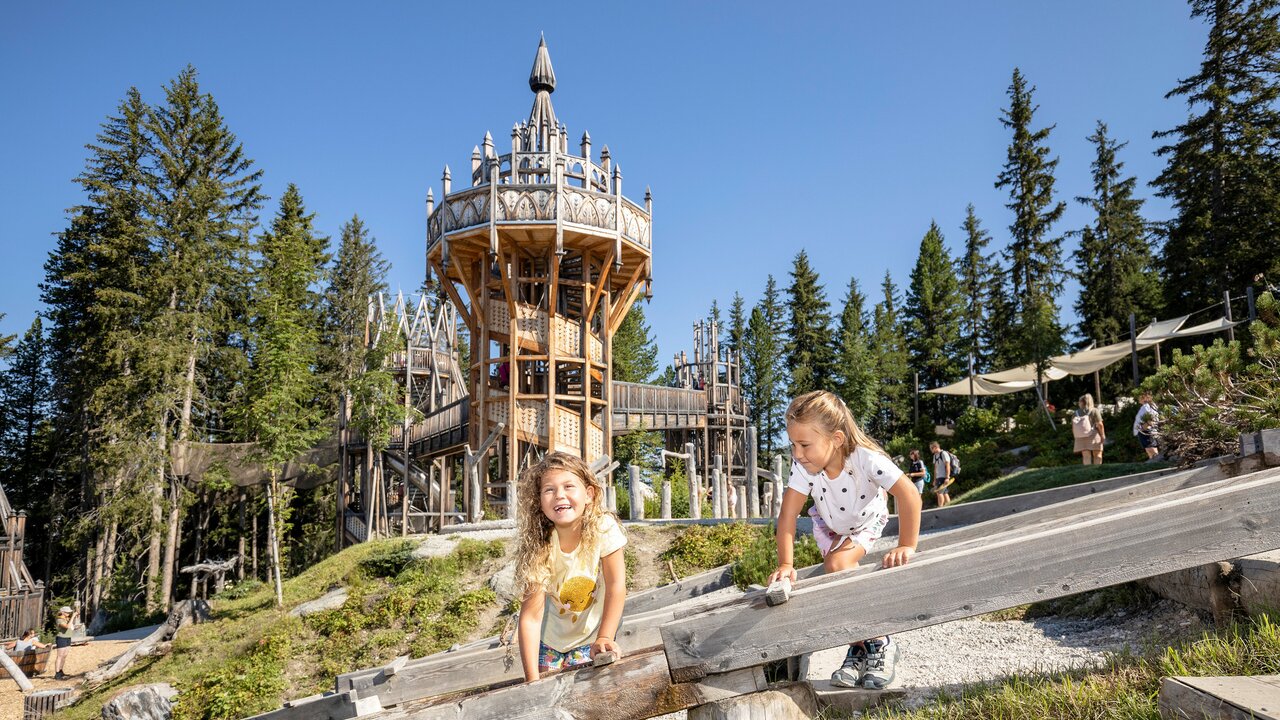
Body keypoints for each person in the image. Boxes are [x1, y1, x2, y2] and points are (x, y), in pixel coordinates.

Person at [769, 390, 921, 690]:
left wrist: (906, 544)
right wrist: (786, 563)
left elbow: (909, 495)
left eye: (804, 445)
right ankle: (858, 646)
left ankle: (880, 641)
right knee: (834, 567)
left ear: (836, 439)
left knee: (837, 563)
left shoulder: (865, 459)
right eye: (793, 445)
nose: (797, 454)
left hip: (867, 519)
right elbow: (787, 516)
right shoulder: (804, 468)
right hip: (831, 526)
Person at [515, 452, 627, 683]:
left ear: (588, 494)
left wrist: (605, 636)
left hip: (591, 638)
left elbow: (616, 586)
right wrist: (531, 681)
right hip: (550, 642)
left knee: (589, 697)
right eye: (549, 490)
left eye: (568, 486)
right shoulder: (540, 543)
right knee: (550, 701)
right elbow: (531, 618)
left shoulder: (603, 528)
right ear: (539, 501)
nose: (559, 495)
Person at [1072, 393, 1106, 465]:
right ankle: (1096, 473)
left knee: (1086, 456)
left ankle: (1088, 473)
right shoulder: (1094, 411)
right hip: (1093, 435)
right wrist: (1102, 435)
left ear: (1081, 402)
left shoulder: (1076, 413)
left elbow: (1073, 427)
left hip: (1080, 436)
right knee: (1097, 455)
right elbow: (1100, 424)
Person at [928, 441, 956, 507]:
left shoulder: (943, 453)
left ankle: (940, 507)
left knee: (939, 492)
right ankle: (950, 506)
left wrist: (947, 477)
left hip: (943, 476)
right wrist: (934, 480)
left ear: (935, 447)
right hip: (938, 477)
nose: (930, 449)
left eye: (931, 448)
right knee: (945, 493)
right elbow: (935, 469)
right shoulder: (935, 456)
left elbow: (948, 465)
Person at [1133, 391, 1160, 460]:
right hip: (1146, 431)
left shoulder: (1146, 407)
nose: (1138, 398)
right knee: (1150, 452)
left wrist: (1142, 428)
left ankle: (1156, 464)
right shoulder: (1148, 406)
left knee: (1152, 452)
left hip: (1147, 431)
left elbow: (1151, 419)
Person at [53, 605, 77, 680]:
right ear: (63, 612)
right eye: (67, 612)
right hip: (61, 638)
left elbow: (71, 625)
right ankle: (57, 673)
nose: (68, 614)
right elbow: (67, 626)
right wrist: (73, 617)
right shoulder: (59, 619)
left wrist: (74, 617)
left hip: (67, 637)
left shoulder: (67, 618)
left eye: (69, 612)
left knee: (64, 655)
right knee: (60, 656)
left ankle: (61, 670)